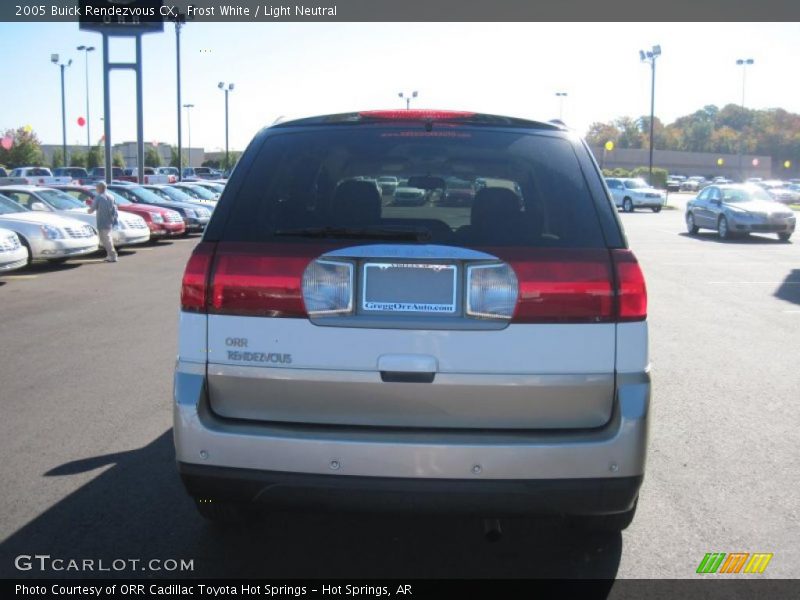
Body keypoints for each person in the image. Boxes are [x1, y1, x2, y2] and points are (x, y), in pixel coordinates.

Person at [87, 181, 118, 263]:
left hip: (101, 221)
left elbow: (92, 209)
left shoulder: (98, 197)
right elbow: (115, 208)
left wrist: (88, 209)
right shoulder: (111, 196)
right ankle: (109, 255)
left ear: (100, 188)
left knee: (106, 239)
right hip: (110, 220)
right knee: (107, 238)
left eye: (96, 187)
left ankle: (113, 255)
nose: (96, 189)